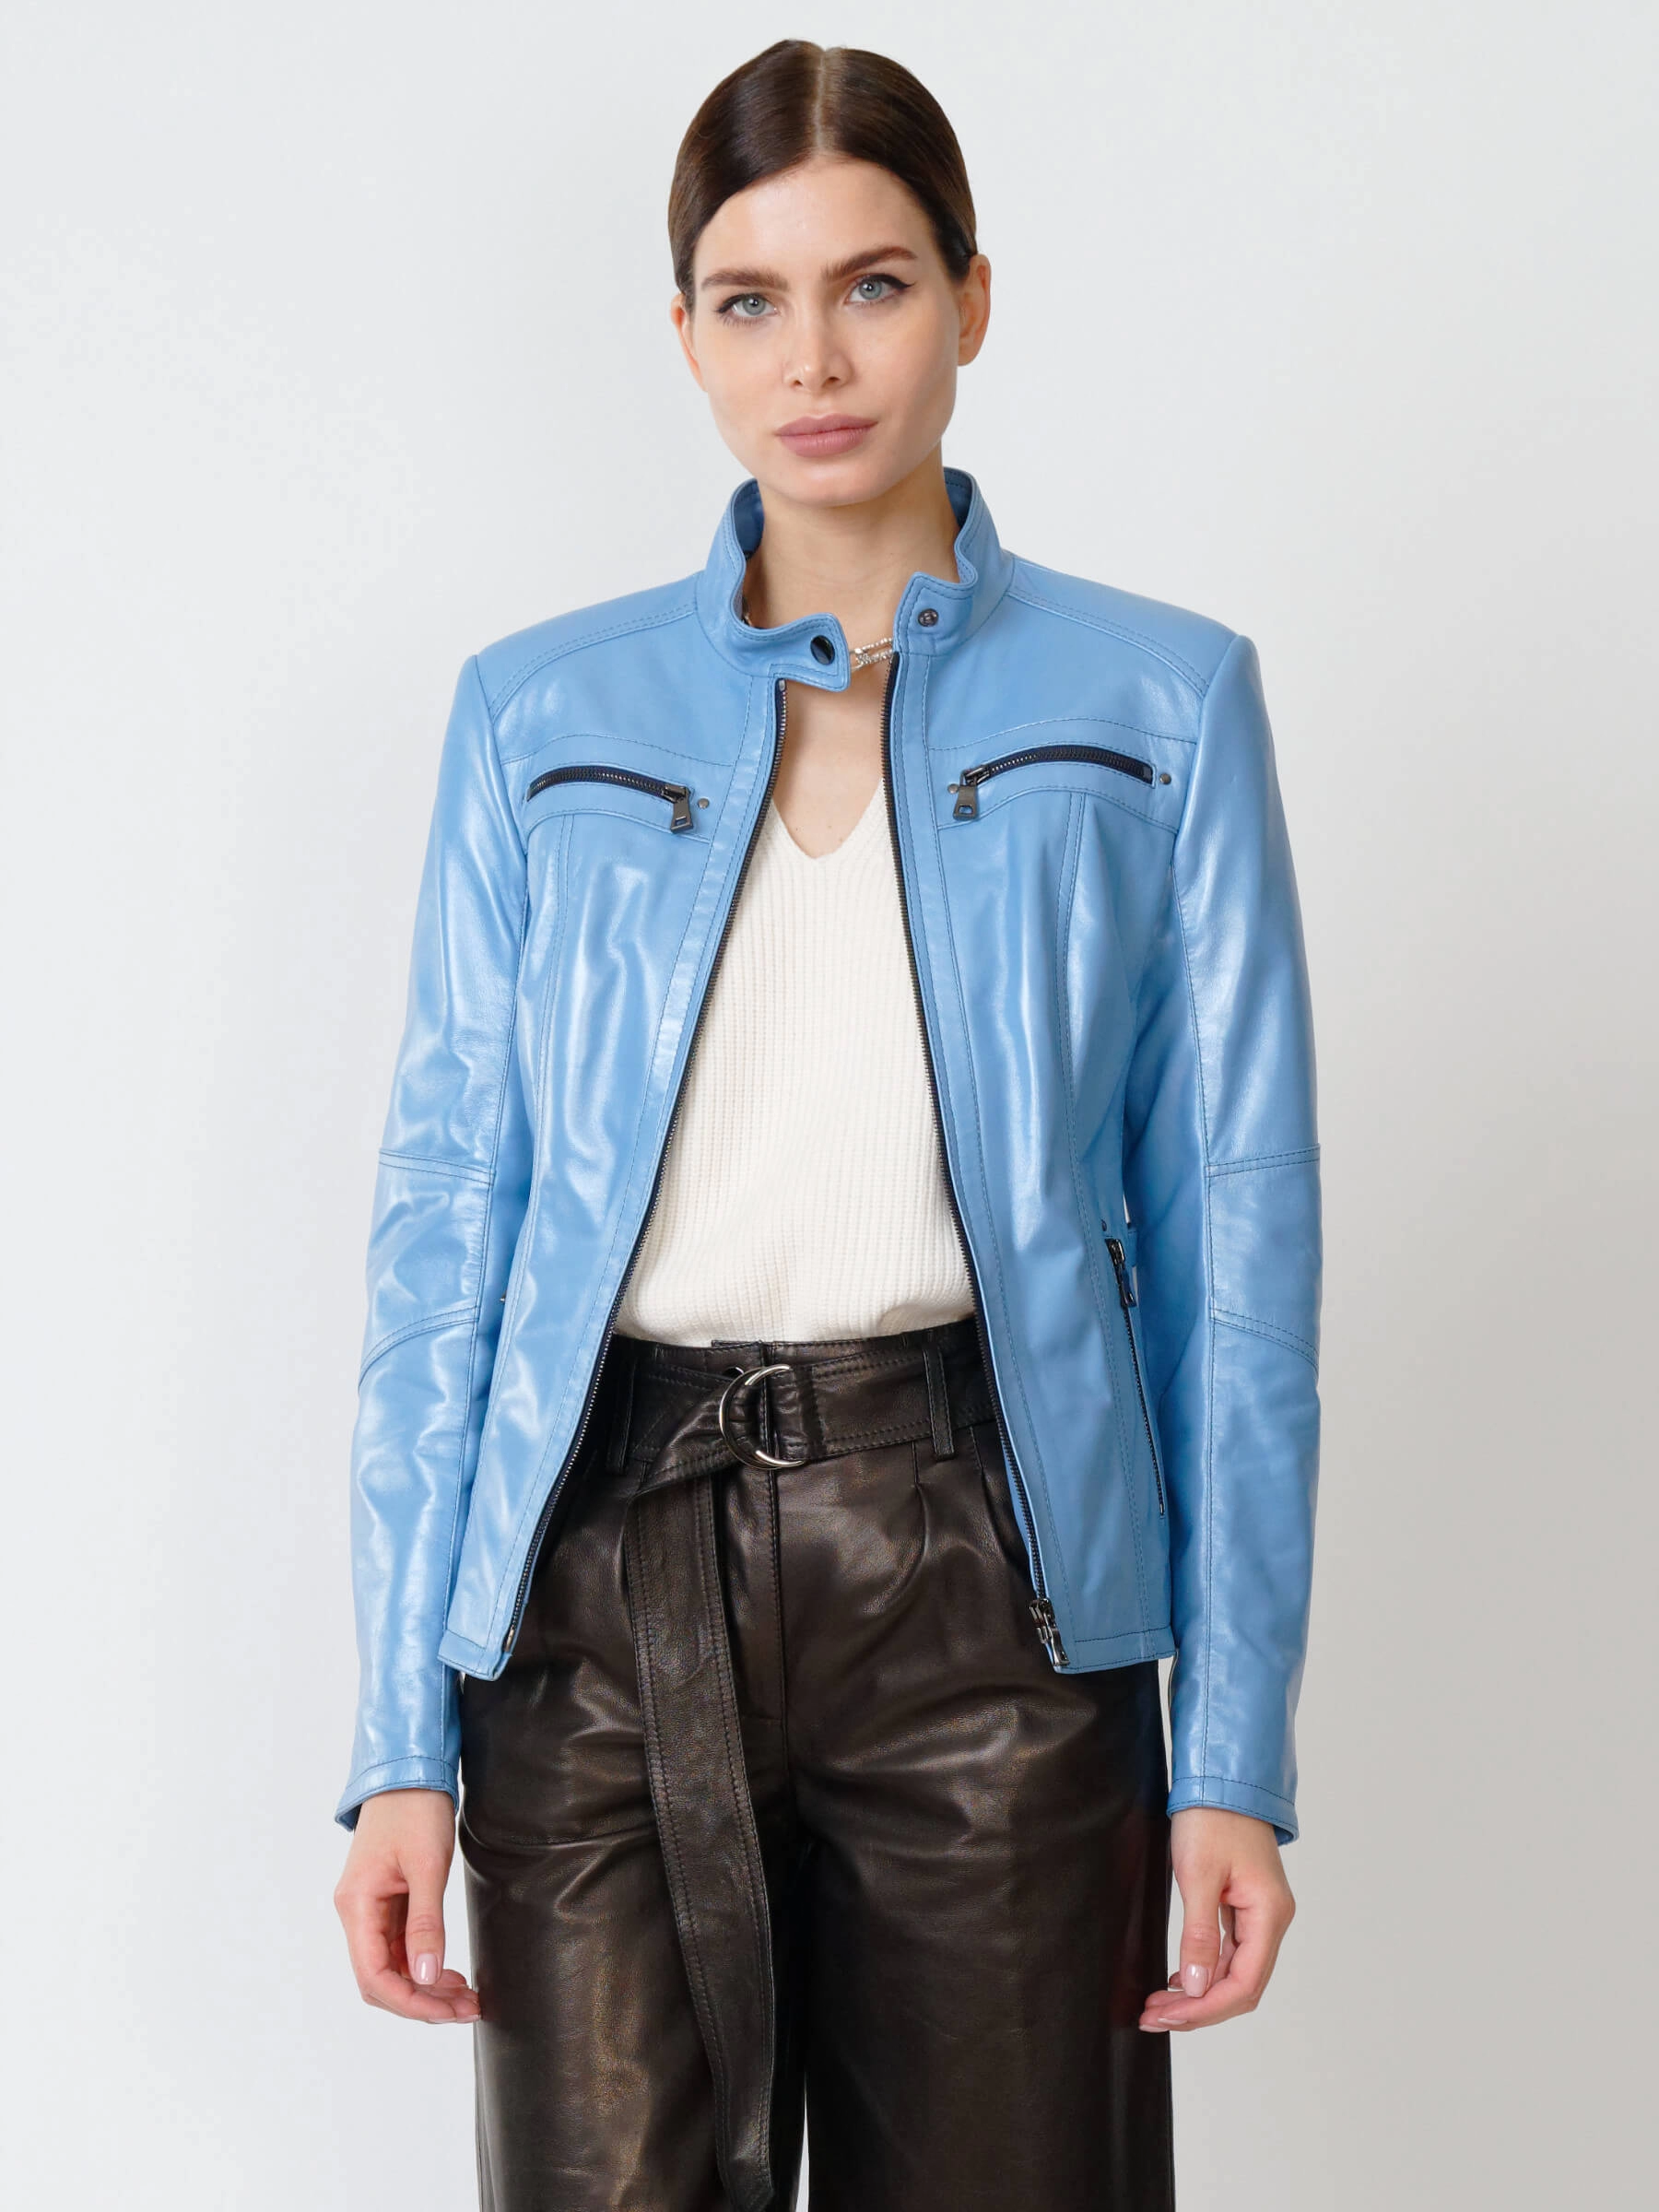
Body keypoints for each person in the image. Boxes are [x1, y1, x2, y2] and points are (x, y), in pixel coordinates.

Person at [332, 37, 1321, 2212]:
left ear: (973, 297)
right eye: (750, 299)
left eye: (873, 285)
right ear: (687, 333)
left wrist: (1233, 1753)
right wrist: (400, 1735)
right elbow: (449, 1230)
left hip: (998, 1595)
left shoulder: (1161, 706)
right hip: (599, 1600)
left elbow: (1240, 1252)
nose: (815, 359)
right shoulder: (536, 717)